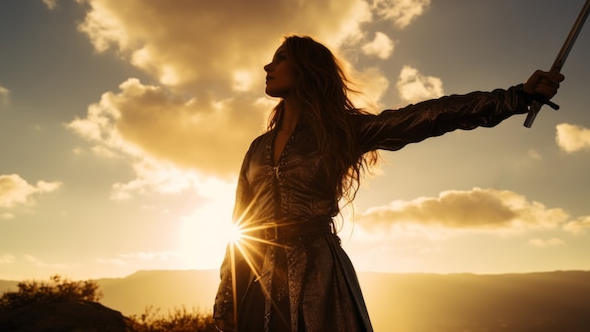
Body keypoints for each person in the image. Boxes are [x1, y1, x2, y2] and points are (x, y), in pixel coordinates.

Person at [213, 35, 564, 332]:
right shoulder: (257, 148)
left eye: (281, 59)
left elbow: (428, 116)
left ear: (307, 70)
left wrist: (516, 97)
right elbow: (240, 223)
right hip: (259, 278)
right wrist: (227, 294)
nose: (267, 67)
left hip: (319, 275)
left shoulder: (342, 132)